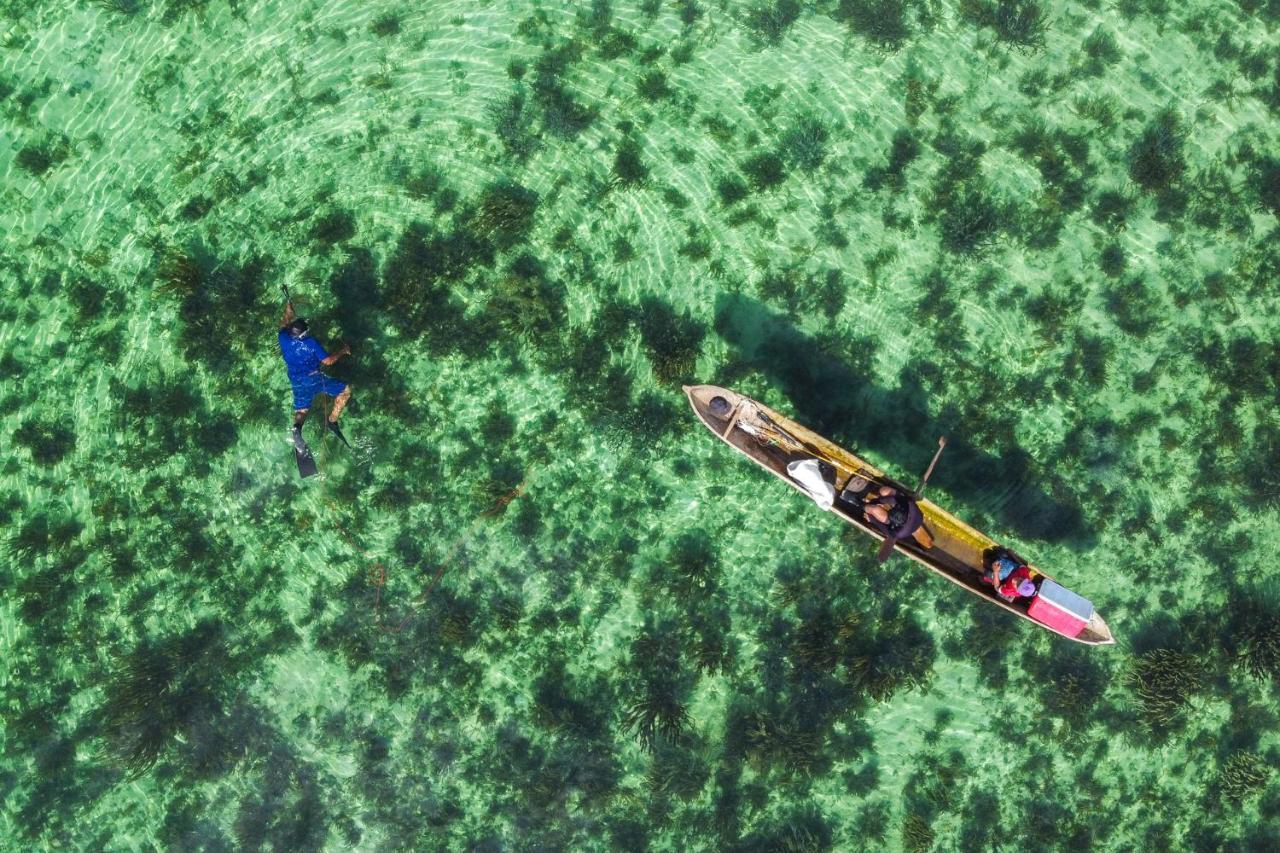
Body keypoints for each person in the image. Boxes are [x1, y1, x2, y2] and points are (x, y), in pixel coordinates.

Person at [279, 298, 352, 449]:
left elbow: (285, 322)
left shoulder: (283, 337)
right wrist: (343, 351)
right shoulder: (311, 343)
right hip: (314, 379)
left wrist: (288, 309)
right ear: (303, 335)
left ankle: (297, 428)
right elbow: (328, 361)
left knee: (302, 409)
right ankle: (332, 421)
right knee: (345, 391)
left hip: (295, 379)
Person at [862, 485, 933, 548]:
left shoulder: (898, 533)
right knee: (884, 491)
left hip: (902, 522)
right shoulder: (909, 504)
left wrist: (872, 519)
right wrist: (876, 501)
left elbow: (884, 528)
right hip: (913, 514)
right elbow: (891, 499)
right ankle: (875, 490)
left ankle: (862, 505)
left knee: (871, 509)